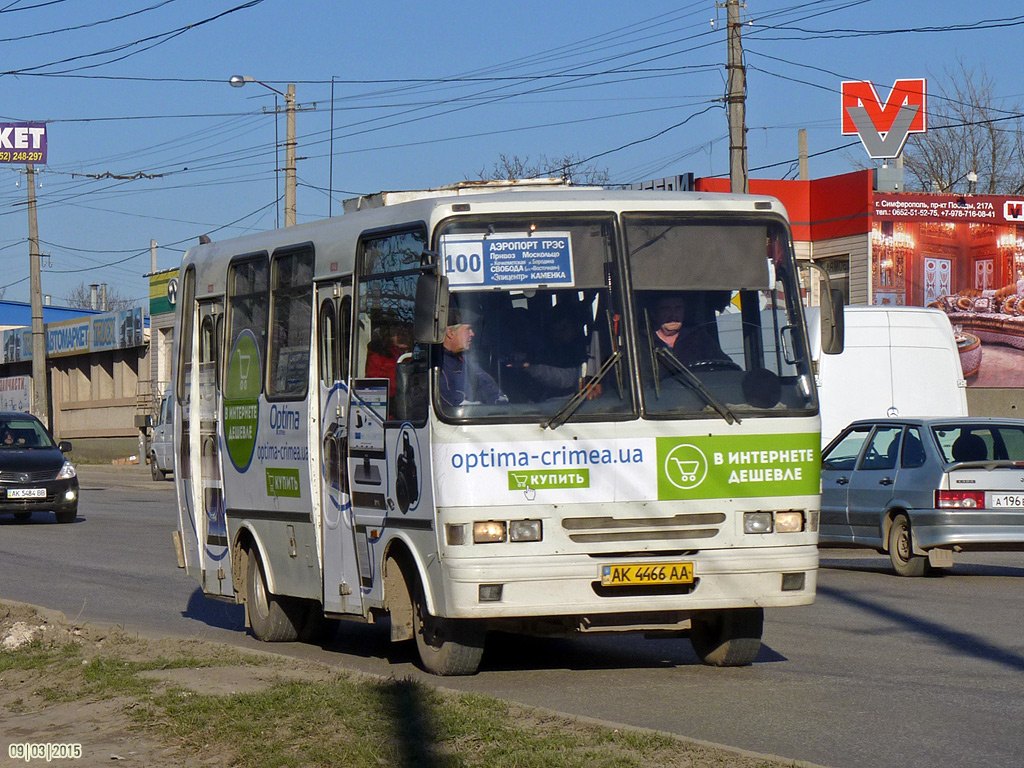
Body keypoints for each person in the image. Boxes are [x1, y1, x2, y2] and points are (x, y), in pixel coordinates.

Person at [439, 308, 505, 407]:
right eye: (468, 329)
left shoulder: (466, 359)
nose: (472, 334)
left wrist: (500, 400)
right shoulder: (437, 365)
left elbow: (487, 382)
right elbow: (451, 404)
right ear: (450, 333)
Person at [649, 292, 731, 371]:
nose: (673, 315)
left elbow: (725, 367)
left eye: (678, 308)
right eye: (666, 309)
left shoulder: (700, 339)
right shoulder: (644, 344)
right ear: (654, 314)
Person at [365, 323, 412, 396]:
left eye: (406, 333)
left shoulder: (425, 357)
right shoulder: (379, 358)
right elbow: (376, 387)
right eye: (397, 333)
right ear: (389, 337)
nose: (402, 337)